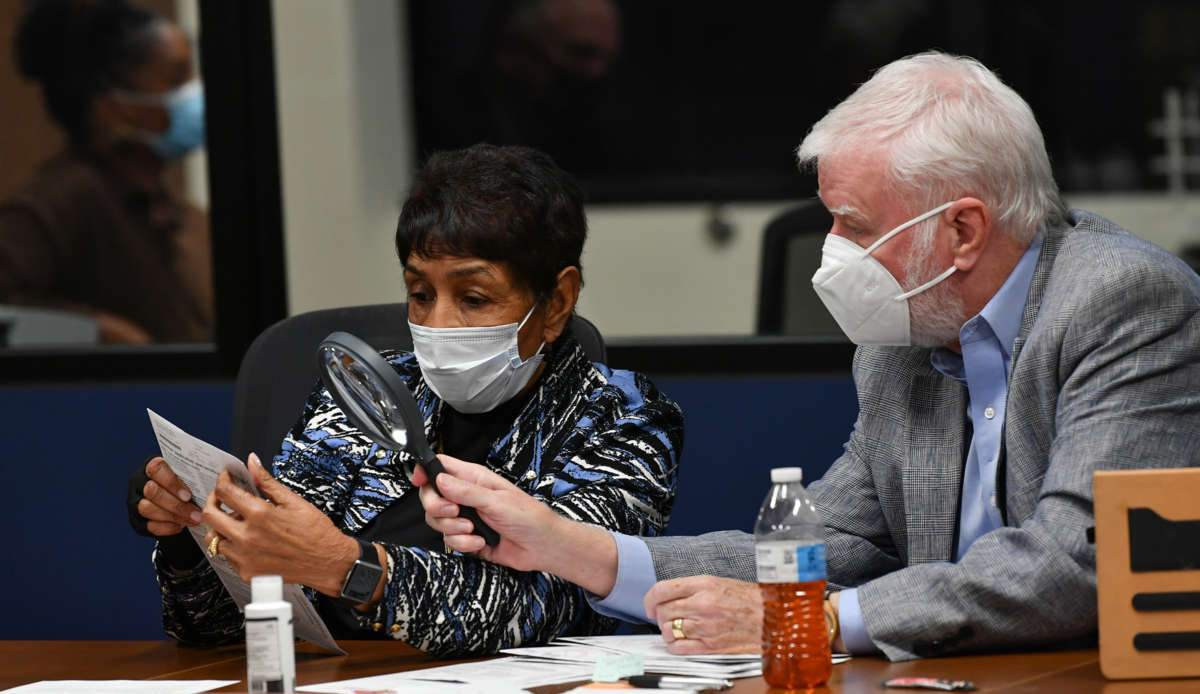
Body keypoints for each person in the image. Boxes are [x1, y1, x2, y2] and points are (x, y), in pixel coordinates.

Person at [424, 52, 1200, 661]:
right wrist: (577, 549)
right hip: (951, 690)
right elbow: (842, 543)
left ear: (962, 231)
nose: (830, 256)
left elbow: (1078, 563)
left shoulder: (1123, 302)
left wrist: (819, 620)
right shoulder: (903, 340)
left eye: (854, 226)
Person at [130, 143, 684, 656]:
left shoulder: (624, 419)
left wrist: (346, 566)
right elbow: (224, 623)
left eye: (473, 297)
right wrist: (193, 535)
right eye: (420, 295)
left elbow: (543, 607)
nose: (438, 324)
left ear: (558, 301)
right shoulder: (359, 397)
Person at [0, 0, 211, 343]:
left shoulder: (174, 213)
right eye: (175, 78)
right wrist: (99, 331)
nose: (195, 95)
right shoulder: (61, 198)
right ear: (111, 105)